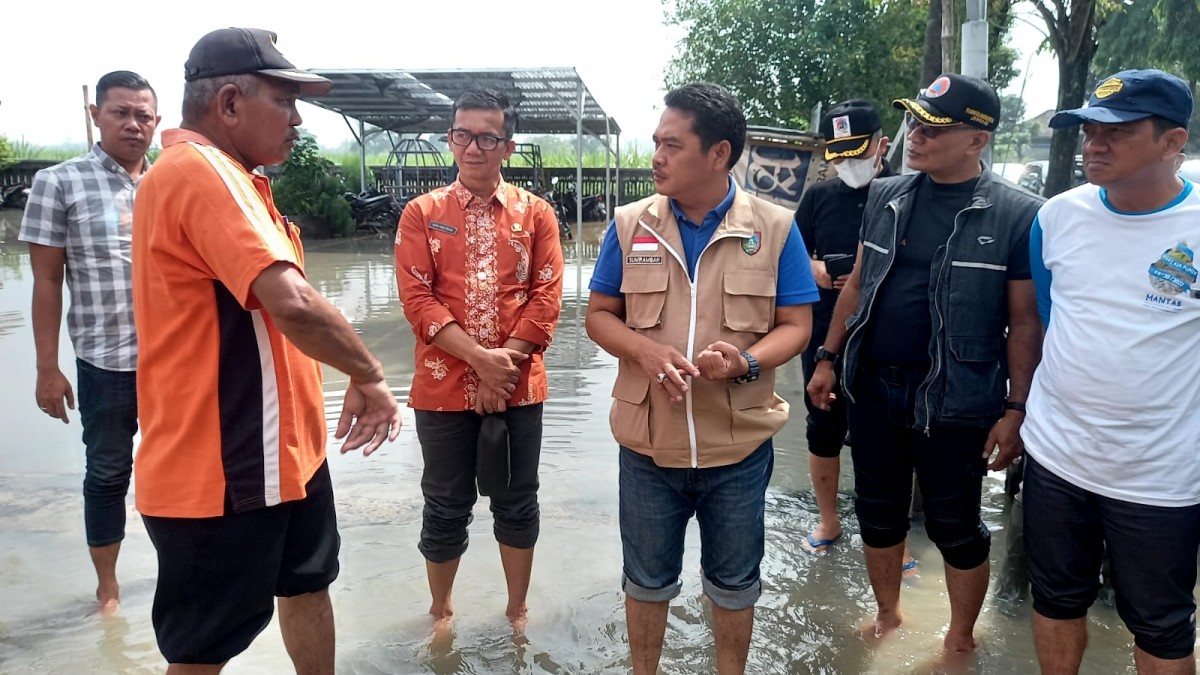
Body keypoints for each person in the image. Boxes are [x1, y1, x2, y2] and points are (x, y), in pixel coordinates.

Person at [131, 28, 401, 672]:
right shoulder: (199, 171)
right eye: (284, 101)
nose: (297, 120)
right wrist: (370, 374)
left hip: (284, 456)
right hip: (225, 466)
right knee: (204, 644)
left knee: (307, 584)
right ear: (229, 102)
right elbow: (294, 304)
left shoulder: (239, 181)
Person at [806, 73, 1043, 658]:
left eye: (935, 128)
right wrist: (828, 357)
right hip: (873, 387)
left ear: (977, 139)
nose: (916, 135)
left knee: (955, 526)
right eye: (915, 122)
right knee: (877, 515)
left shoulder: (1017, 215)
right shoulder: (886, 197)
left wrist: (1016, 408)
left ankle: (959, 640)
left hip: (958, 398)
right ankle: (887, 615)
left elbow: (1024, 323)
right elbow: (857, 285)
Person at [586, 82, 819, 675]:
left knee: (735, 583)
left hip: (737, 447)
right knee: (645, 580)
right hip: (648, 445)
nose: (656, 157)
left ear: (718, 154)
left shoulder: (774, 228)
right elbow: (598, 316)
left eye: (672, 144)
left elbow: (797, 325)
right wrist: (643, 351)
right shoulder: (630, 225)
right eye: (656, 142)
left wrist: (745, 362)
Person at [1022, 69, 1200, 675]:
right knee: (1054, 598)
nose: (1094, 144)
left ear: (1173, 141)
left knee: (1161, 623)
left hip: (1160, 474)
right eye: (1089, 131)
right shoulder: (1056, 217)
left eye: (1117, 132)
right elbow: (1049, 321)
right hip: (1057, 456)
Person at [394, 89, 564, 631]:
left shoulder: (537, 214)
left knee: (518, 501)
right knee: (445, 504)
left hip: (519, 387)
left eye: (487, 138)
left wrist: (501, 370)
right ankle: (441, 610)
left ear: (508, 146)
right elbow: (417, 298)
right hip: (441, 387)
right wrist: (479, 362)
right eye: (462, 135)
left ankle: (517, 609)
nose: (473, 148)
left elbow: (546, 296)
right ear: (450, 140)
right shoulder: (422, 214)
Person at [18, 70, 160, 615]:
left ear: (157, 122)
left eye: (143, 116)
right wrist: (47, 368)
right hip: (105, 361)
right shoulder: (59, 183)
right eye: (121, 113)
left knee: (182, 466)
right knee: (107, 472)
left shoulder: (170, 181)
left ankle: (182, 570)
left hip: (174, 361)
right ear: (95, 115)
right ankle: (108, 588)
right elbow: (46, 281)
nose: (133, 125)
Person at [794, 99, 902, 560]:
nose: (848, 164)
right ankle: (829, 520)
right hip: (824, 331)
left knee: (888, 434)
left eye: (856, 153)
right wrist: (814, 269)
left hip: (886, 334)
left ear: (881, 145)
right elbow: (791, 254)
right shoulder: (818, 198)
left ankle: (889, 537)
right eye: (839, 155)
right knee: (823, 425)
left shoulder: (906, 193)